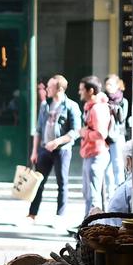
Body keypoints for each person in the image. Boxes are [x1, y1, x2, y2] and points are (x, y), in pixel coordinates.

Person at [28, 74, 82, 223]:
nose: (46, 89)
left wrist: (57, 142)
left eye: (50, 87)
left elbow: (76, 131)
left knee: (62, 184)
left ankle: (60, 216)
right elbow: (38, 129)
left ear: (59, 89)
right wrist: (34, 151)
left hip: (62, 151)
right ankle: (32, 214)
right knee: (38, 182)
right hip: (44, 149)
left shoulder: (71, 106)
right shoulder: (45, 105)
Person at [61, 75, 112, 216]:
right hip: (91, 153)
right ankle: (89, 222)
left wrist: (85, 133)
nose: (79, 92)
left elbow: (101, 133)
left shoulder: (96, 109)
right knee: (89, 193)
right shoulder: (91, 107)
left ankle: (91, 224)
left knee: (92, 195)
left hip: (96, 154)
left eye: (82, 89)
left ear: (91, 91)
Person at [104, 74, 130, 192]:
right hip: (105, 136)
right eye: (106, 84)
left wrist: (113, 108)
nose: (108, 86)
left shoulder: (123, 101)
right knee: (107, 167)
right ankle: (110, 193)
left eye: (110, 84)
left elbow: (122, 118)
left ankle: (120, 191)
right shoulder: (103, 99)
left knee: (118, 164)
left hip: (117, 136)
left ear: (117, 85)